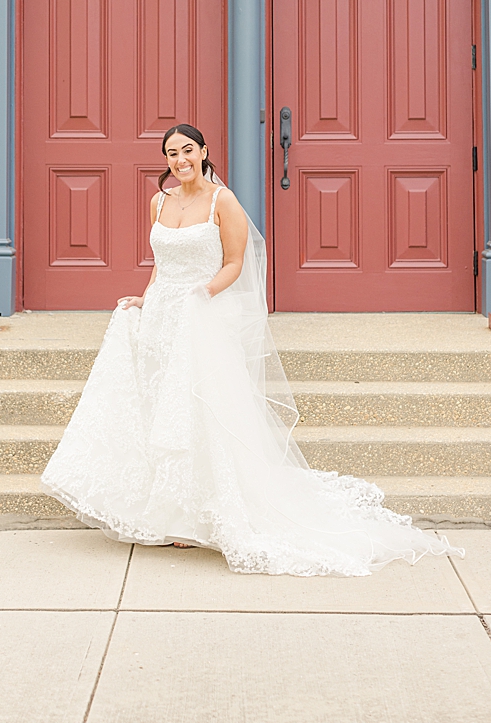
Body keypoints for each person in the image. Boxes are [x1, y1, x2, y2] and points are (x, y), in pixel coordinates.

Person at [40, 124, 461, 576]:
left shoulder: (224, 201)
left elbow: (235, 263)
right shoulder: (158, 202)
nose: (179, 160)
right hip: (163, 316)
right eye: (170, 154)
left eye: (187, 150)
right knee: (162, 408)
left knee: (200, 409)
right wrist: (146, 298)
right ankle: (164, 509)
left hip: (201, 315)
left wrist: (203, 294)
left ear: (203, 151)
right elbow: (161, 265)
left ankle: (203, 515)